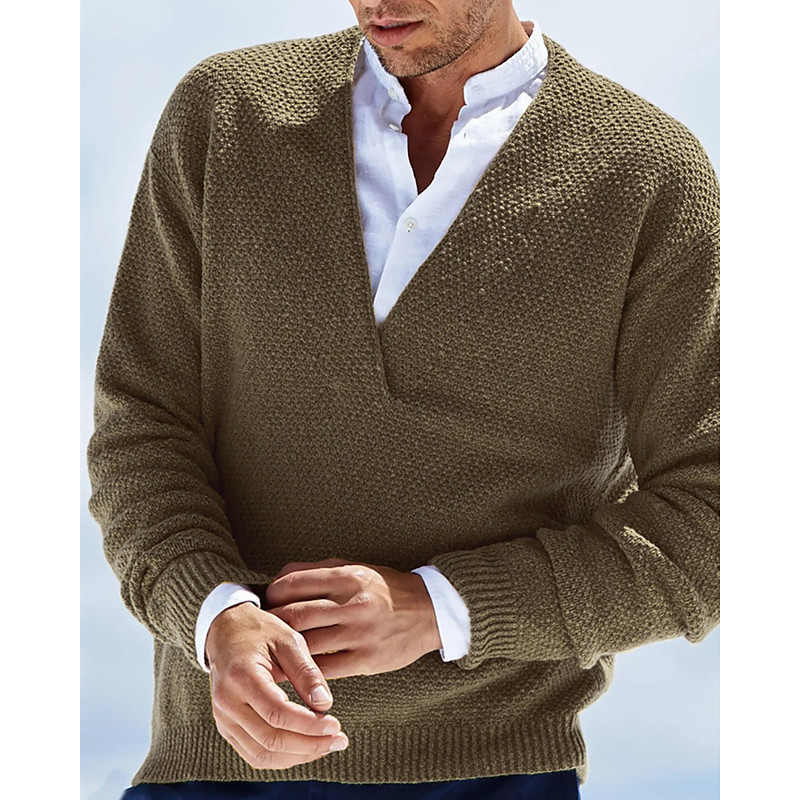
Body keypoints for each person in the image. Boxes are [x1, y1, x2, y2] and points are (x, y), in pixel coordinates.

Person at [86, 1, 720, 798]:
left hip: (494, 775)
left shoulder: (648, 175)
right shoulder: (227, 115)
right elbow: (142, 425)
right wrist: (214, 615)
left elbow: (718, 518)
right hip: (212, 766)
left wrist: (440, 608)